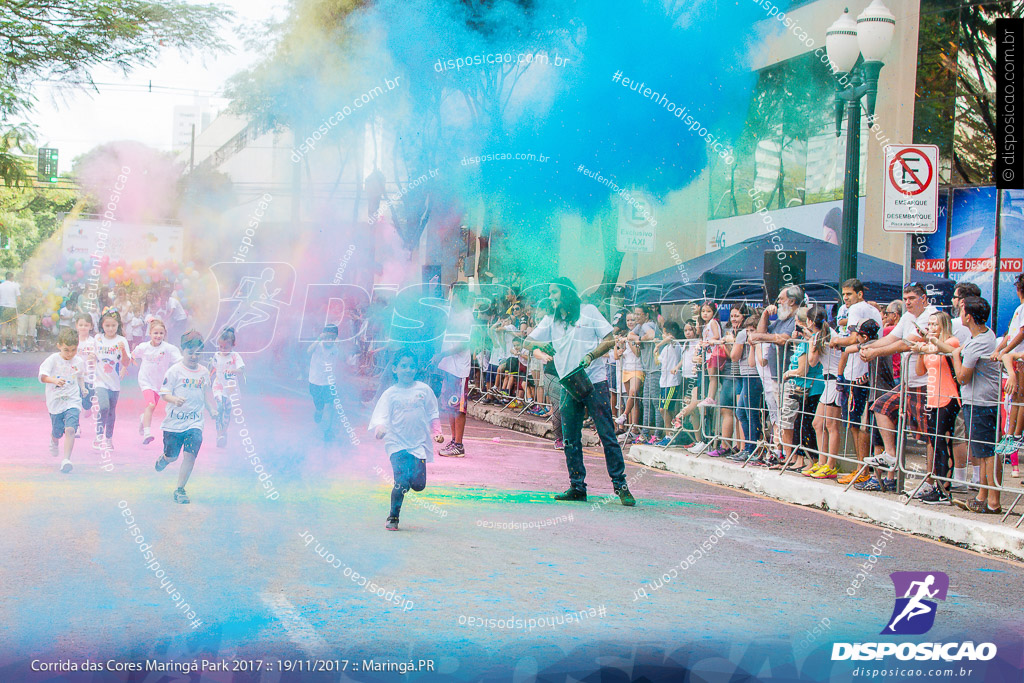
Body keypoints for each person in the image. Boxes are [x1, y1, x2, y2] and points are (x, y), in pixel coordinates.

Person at [526, 277, 636, 506]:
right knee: (570, 438)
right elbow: (527, 341)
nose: (551, 297)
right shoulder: (550, 320)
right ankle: (577, 486)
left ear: (566, 293)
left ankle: (621, 485)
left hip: (594, 382)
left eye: (554, 292)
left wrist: (591, 356)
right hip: (568, 384)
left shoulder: (589, 311)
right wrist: (538, 345)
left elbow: (609, 340)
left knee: (607, 435)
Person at [933, 297, 1002, 514]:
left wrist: (954, 356)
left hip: (981, 401)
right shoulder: (982, 336)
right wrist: (934, 343)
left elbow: (962, 376)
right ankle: (983, 495)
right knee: (982, 451)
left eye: (962, 311)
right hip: (981, 400)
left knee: (987, 452)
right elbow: (958, 351)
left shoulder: (978, 343)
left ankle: (992, 501)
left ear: (968, 317)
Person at [861, 284, 939, 472]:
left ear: (924, 299)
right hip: (907, 382)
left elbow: (906, 343)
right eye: (905, 299)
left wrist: (874, 351)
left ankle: (932, 479)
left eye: (912, 298)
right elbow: (891, 339)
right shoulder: (907, 316)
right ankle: (891, 455)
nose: (908, 302)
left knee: (928, 435)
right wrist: (869, 347)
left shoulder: (931, 316)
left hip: (925, 383)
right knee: (880, 406)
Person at [368, 349, 445, 531]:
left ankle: (409, 480)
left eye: (411, 366)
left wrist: (437, 432)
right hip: (396, 443)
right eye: (403, 366)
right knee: (401, 482)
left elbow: (433, 413)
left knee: (418, 485)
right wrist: (380, 429)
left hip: (419, 444)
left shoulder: (424, 390)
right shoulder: (390, 394)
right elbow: (382, 416)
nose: (408, 370)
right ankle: (393, 516)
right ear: (394, 369)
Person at [155, 330, 217, 505]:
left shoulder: (204, 372)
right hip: (174, 423)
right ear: (183, 351)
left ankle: (180, 489)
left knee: (190, 455)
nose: (194, 356)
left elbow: (205, 396)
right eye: (190, 353)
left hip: (195, 422)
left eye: (198, 353)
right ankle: (165, 459)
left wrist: (211, 409)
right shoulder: (174, 371)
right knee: (173, 456)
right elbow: (164, 393)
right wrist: (174, 399)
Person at [749, 285, 804, 459]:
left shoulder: (796, 318)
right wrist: (765, 314)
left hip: (789, 377)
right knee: (778, 416)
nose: (778, 303)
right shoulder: (781, 319)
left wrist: (761, 338)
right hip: (776, 376)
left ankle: (790, 456)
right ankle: (781, 452)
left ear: (792, 301)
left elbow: (783, 339)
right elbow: (761, 331)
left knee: (788, 418)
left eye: (781, 299)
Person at [912, 311, 960, 504]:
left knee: (944, 443)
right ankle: (937, 486)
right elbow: (919, 371)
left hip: (947, 397)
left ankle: (945, 489)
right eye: (929, 324)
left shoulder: (952, 341)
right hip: (932, 397)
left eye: (935, 324)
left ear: (944, 326)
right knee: (934, 442)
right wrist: (919, 351)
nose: (931, 328)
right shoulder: (929, 345)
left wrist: (928, 344)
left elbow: (947, 349)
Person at [39, 328, 87, 473]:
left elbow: (79, 376)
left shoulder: (78, 361)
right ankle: (54, 440)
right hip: (55, 402)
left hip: (72, 400)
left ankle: (66, 459)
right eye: (67, 350)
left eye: (74, 350)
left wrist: (83, 388)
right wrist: (54, 380)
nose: (70, 354)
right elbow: (42, 376)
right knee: (58, 432)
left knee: (71, 429)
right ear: (59, 345)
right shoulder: (53, 360)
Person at [437, 282, 474, 457]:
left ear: (458, 295)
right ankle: (453, 441)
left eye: (451, 293)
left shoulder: (467, 316)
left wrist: (443, 353)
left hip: (459, 368)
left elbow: (465, 343)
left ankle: (459, 444)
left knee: (458, 407)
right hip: (449, 367)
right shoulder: (452, 314)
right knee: (450, 406)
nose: (449, 296)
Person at [133, 319, 182, 445]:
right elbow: (132, 355)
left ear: (164, 334)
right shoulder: (143, 347)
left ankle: (143, 418)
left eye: (161, 333)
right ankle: (147, 433)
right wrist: (125, 366)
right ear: (150, 333)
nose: (158, 336)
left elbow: (180, 362)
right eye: (155, 333)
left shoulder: (169, 348)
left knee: (151, 407)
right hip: (145, 381)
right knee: (151, 405)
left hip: (159, 383)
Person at [93, 310, 131, 451]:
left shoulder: (121, 341)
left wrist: (124, 352)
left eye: (113, 326)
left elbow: (126, 362)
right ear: (102, 325)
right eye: (107, 325)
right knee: (103, 407)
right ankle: (98, 436)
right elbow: (92, 355)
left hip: (114, 382)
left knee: (111, 411)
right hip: (99, 380)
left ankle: (108, 438)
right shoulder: (97, 338)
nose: (110, 328)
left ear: (118, 326)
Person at [629, 305, 663, 443]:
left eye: (639, 314)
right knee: (647, 402)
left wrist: (640, 340)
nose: (636, 317)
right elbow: (629, 335)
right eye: (635, 314)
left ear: (646, 315)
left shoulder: (648, 325)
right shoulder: (640, 326)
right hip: (648, 369)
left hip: (655, 369)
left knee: (655, 402)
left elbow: (651, 335)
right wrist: (636, 338)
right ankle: (646, 432)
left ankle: (657, 433)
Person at [210, 327, 245, 448]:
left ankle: (224, 433)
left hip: (230, 388)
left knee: (227, 412)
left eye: (226, 347)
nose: (223, 350)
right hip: (218, 385)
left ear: (232, 345)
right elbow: (213, 369)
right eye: (221, 347)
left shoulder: (235, 356)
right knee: (220, 407)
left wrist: (233, 370)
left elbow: (241, 369)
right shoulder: (216, 355)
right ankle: (219, 434)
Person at [308, 324, 341, 440]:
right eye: (327, 337)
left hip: (329, 383)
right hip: (315, 382)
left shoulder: (335, 349)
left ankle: (328, 430)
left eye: (333, 338)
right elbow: (309, 351)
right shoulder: (318, 346)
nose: (329, 340)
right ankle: (319, 411)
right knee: (319, 406)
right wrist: (318, 339)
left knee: (331, 406)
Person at [654, 321, 683, 447]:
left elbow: (671, 338)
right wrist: (656, 349)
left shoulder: (675, 345)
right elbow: (657, 362)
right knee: (666, 409)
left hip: (672, 381)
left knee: (664, 408)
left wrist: (658, 344)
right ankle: (671, 434)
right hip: (663, 382)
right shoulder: (665, 348)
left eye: (663, 333)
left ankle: (669, 435)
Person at [0, 271, 21, 352]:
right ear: (12, 277)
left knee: (3, 328)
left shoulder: (1, 286)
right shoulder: (15, 285)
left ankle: (3, 347)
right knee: (14, 328)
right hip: (12, 308)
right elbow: (19, 298)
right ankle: (15, 347)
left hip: (3, 307)